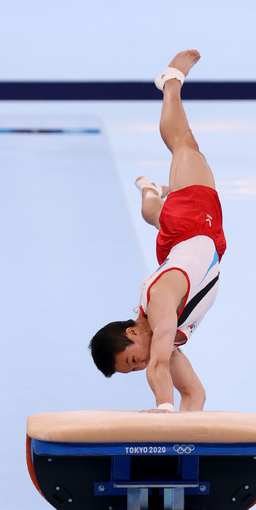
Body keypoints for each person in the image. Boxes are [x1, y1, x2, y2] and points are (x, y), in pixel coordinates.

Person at [89, 50, 226, 413]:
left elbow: (159, 366)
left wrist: (164, 409)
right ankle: (150, 192)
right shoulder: (166, 335)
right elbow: (194, 395)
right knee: (158, 218)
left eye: (133, 360)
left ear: (133, 332)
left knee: (184, 144)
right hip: (186, 244)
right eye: (134, 369)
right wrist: (178, 436)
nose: (142, 364)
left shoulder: (161, 304)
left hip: (191, 226)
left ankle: (170, 83)